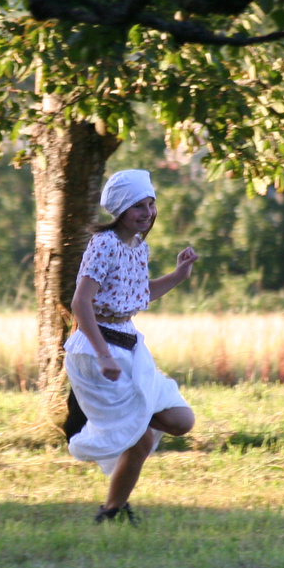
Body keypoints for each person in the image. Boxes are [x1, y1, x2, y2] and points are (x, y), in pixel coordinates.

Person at [65, 169, 198, 524]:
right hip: (96, 352)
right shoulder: (103, 244)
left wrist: (178, 276)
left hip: (130, 347)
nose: (148, 212)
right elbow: (81, 303)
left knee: (177, 422)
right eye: (139, 205)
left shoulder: (139, 247)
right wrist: (104, 356)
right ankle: (111, 507)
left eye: (151, 204)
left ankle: (110, 511)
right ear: (121, 208)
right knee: (139, 436)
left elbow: (138, 295)